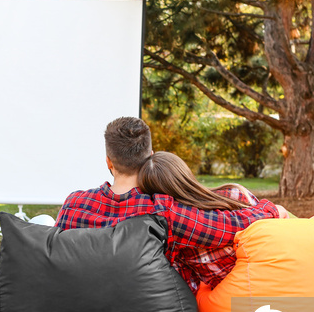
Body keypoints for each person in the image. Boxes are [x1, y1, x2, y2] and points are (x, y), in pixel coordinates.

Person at [55, 116, 287, 294]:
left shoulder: (73, 203)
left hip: (81, 298)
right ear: (151, 157)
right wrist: (272, 210)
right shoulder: (163, 210)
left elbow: (55, 256)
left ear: (108, 161)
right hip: (139, 304)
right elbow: (227, 226)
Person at [138, 151, 286, 289]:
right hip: (280, 270)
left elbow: (189, 285)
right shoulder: (235, 193)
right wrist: (272, 209)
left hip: (241, 292)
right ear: (184, 174)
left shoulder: (176, 235)